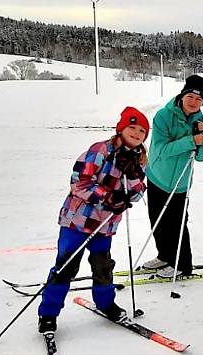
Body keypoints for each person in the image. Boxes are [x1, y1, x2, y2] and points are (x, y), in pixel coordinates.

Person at [37, 107, 149, 333]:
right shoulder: (100, 150)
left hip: (106, 225)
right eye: (132, 128)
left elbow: (138, 191)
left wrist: (128, 190)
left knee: (103, 267)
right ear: (121, 129)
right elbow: (79, 181)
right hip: (78, 221)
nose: (137, 134)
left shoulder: (139, 158)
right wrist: (108, 197)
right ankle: (48, 313)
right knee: (66, 267)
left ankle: (106, 303)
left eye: (142, 131)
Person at [142, 75, 203, 278]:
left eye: (199, 99)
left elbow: (202, 156)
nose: (193, 102)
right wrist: (192, 140)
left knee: (178, 224)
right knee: (157, 221)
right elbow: (162, 150)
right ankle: (165, 256)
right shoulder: (163, 116)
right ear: (182, 96)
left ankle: (182, 265)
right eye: (190, 96)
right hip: (157, 176)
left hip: (180, 183)